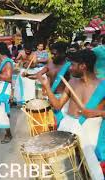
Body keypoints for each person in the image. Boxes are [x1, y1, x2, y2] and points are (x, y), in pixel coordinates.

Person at [38, 49, 104, 179]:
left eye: (73, 65)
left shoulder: (103, 85)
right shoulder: (72, 82)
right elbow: (57, 105)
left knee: (90, 168)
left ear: (83, 66)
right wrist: (46, 86)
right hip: (68, 127)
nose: (70, 68)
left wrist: (95, 112)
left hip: (91, 131)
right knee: (69, 167)